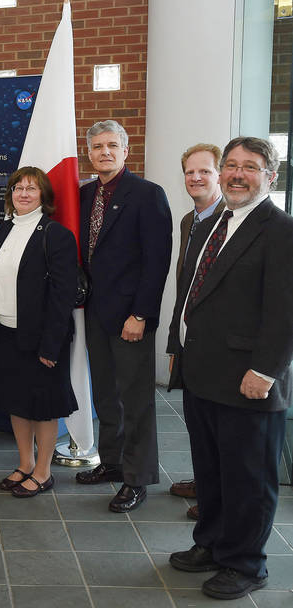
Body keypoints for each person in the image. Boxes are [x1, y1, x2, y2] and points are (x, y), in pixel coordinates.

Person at [166, 136, 293, 600]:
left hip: (249, 379)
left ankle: (246, 563)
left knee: (249, 478)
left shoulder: (281, 230)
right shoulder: (211, 222)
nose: (238, 174)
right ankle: (213, 545)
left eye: (251, 167)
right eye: (232, 165)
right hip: (204, 370)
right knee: (213, 469)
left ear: (270, 177)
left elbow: (285, 312)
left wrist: (266, 371)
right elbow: (193, 293)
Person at [73, 120, 172, 513]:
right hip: (96, 313)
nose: (105, 152)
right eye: (97, 146)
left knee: (135, 399)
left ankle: (137, 478)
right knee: (106, 394)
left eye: (112, 145)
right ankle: (112, 462)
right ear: (90, 152)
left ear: (126, 150)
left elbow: (157, 262)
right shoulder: (83, 194)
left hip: (131, 316)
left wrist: (142, 314)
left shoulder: (148, 195)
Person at [0, 167, 77, 498]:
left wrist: (51, 346)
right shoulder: (3, 230)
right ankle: (24, 463)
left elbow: (63, 297)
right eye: (18, 188)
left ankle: (43, 471)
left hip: (41, 338)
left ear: (43, 196)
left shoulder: (56, 235)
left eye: (31, 189)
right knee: (16, 402)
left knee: (42, 405)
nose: (23, 193)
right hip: (6, 333)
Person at [169, 143, 226, 521]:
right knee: (197, 420)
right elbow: (185, 284)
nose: (196, 178)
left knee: (218, 426)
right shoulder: (190, 220)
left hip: (220, 346)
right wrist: (175, 341)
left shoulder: (231, 220)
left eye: (204, 171)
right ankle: (206, 482)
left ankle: (216, 497)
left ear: (219, 174)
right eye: (190, 171)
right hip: (191, 339)